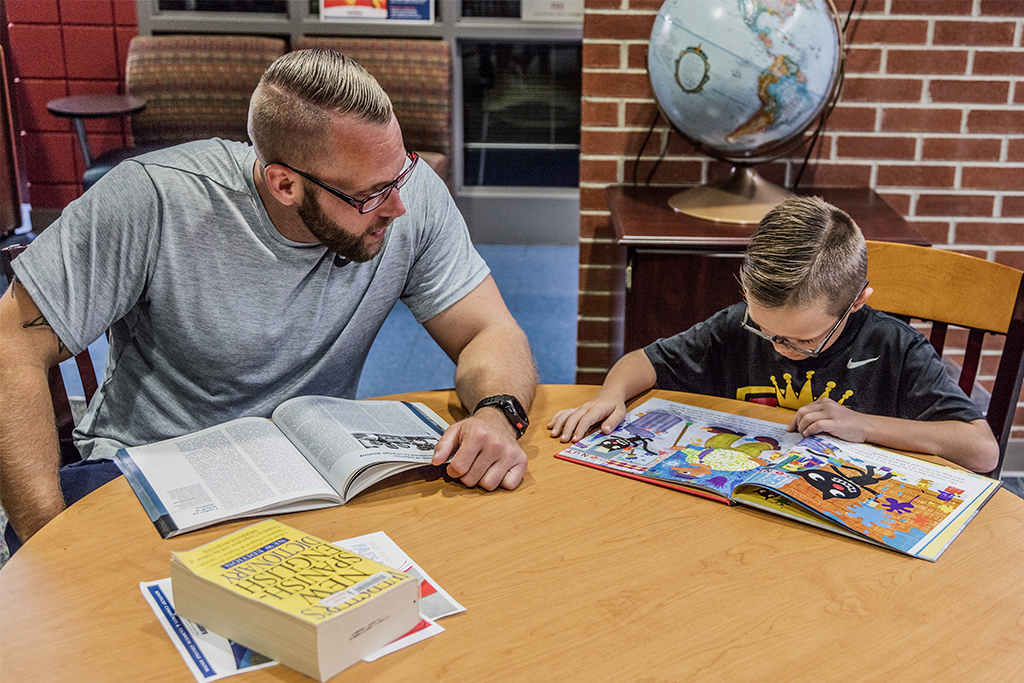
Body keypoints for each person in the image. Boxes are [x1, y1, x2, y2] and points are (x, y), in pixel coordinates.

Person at [0, 49, 537, 551]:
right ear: (283, 184)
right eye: (370, 194)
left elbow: (488, 331)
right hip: (151, 475)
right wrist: (47, 540)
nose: (396, 206)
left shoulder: (403, 196)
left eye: (401, 171)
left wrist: (497, 411)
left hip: (311, 478)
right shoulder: (154, 198)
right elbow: (10, 348)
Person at [549, 195, 999, 473]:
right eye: (764, 330)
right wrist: (610, 394)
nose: (779, 347)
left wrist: (864, 425)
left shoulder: (893, 346)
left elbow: (981, 451)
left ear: (857, 301)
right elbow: (641, 362)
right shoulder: (736, 326)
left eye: (802, 340)